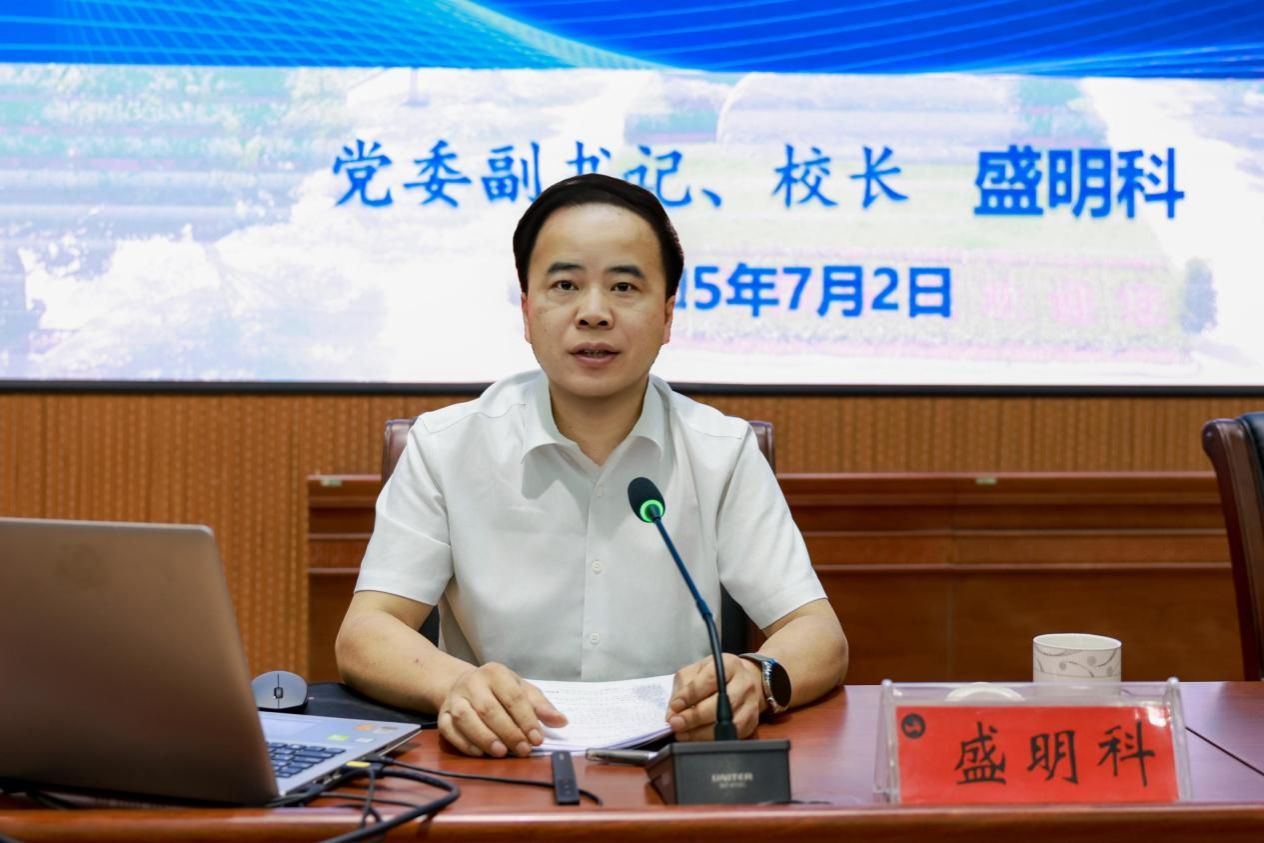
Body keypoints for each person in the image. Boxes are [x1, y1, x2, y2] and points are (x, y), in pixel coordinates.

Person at [336, 173, 848, 759]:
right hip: (498, 758)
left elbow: (819, 635)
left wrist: (756, 678)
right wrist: (455, 685)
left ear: (668, 314)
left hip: (672, 761)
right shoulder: (445, 447)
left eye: (625, 286)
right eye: (565, 285)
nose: (594, 313)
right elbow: (366, 633)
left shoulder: (721, 451)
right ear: (526, 311)